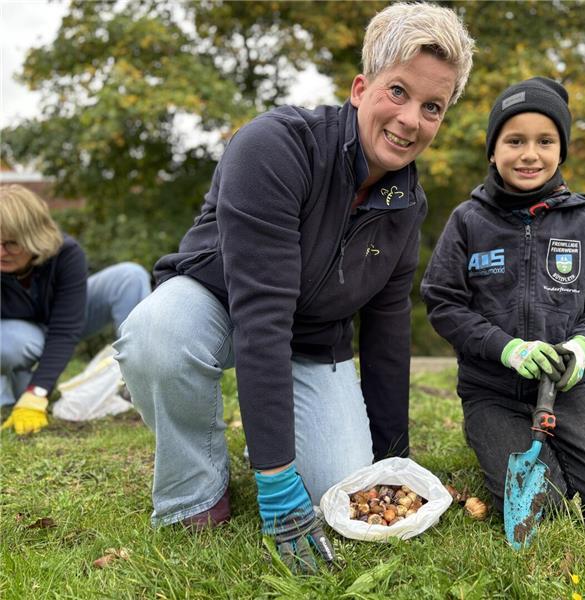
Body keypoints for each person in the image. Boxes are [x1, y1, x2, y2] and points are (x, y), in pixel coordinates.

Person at [114, 2, 475, 573]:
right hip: (220, 302)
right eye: (398, 92)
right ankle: (196, 491)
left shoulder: (408, 204)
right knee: (156, 335)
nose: (411, 120)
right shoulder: (276, 147)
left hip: (313, 338)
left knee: (339, 488)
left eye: (433, 107)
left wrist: (391, 462)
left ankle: (278, 444)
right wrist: (277, 480)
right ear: (361, 87)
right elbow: (262, 316)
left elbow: (386, 333)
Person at [420, 77, 585, 528]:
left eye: (545, 141)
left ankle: (562, 441)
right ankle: (490, 434)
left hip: (565, 391)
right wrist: (507, 348)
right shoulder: (468, 219)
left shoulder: (582, 220)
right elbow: (443, 303)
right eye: (514, 140)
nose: (529, 154)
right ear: (492, 150)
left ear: (561, 151)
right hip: (491, 392)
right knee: (543, 512)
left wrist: (582, 348)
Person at [0, 184, 151, 433]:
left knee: (130, 277)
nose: (2, 252)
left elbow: (64, 331)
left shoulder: (66, 253)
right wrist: (34, 393)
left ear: (34, 237)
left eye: (11, 244)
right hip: (18, 333)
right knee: (7, 343)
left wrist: (38, 390)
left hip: (64, 318)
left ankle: (140, 380)